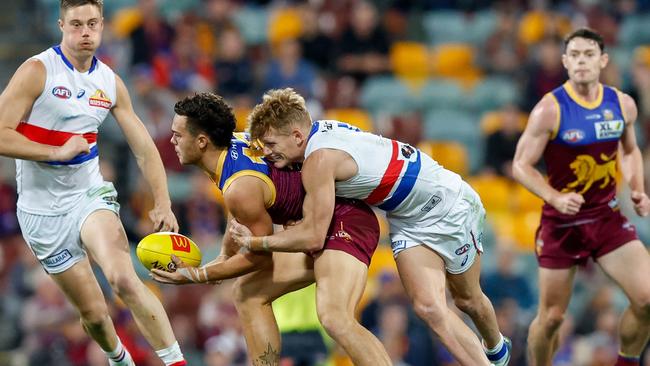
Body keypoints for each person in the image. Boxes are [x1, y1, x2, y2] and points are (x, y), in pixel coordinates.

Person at [230, 88, 512, 366]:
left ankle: (496, 346)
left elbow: (315, 237)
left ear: (297, 136)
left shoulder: (319, 159)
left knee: (468, 300)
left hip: (446, 203)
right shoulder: (318, 137)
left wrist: (256, 243)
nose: (266, 152)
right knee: (429, 307)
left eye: (270, 144)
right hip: (405, 216)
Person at [0, 1, 187, 365]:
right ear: (61, 26)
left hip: (88, 195)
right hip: (41, 214)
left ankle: (176, 361)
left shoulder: (110, 82)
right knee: (95, 316)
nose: (85, 32)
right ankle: (119, 359)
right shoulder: (37, 71)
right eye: (76, 24)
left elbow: (145, 148)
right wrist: (53, 152)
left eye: (91, 24)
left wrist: (163, 201)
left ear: (102, 25)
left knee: (123, 278)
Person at [149, 92, 391, 366]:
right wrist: (223, 257)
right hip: (321, 223)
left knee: (336, 318)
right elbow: (239, 219)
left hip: (345, 221)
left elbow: (259, 255)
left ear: (202, 141)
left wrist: (197, 275)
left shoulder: (239, 186)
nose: (172, 141)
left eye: (178, 135)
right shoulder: (235, 148)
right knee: (248, 292)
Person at [512, 27, 650, 366]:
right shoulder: (549, 110)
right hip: (562, 224)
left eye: (588, 54)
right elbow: (520, 165)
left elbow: (630, 151)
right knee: (552, 318)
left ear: (602, 60)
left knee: (647, 300)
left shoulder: (621, 104)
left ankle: (626, 362)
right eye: (574, 55)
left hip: (606, 216)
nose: (581, 61)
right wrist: (554, 197)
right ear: (565, 62)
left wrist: (637, 188)